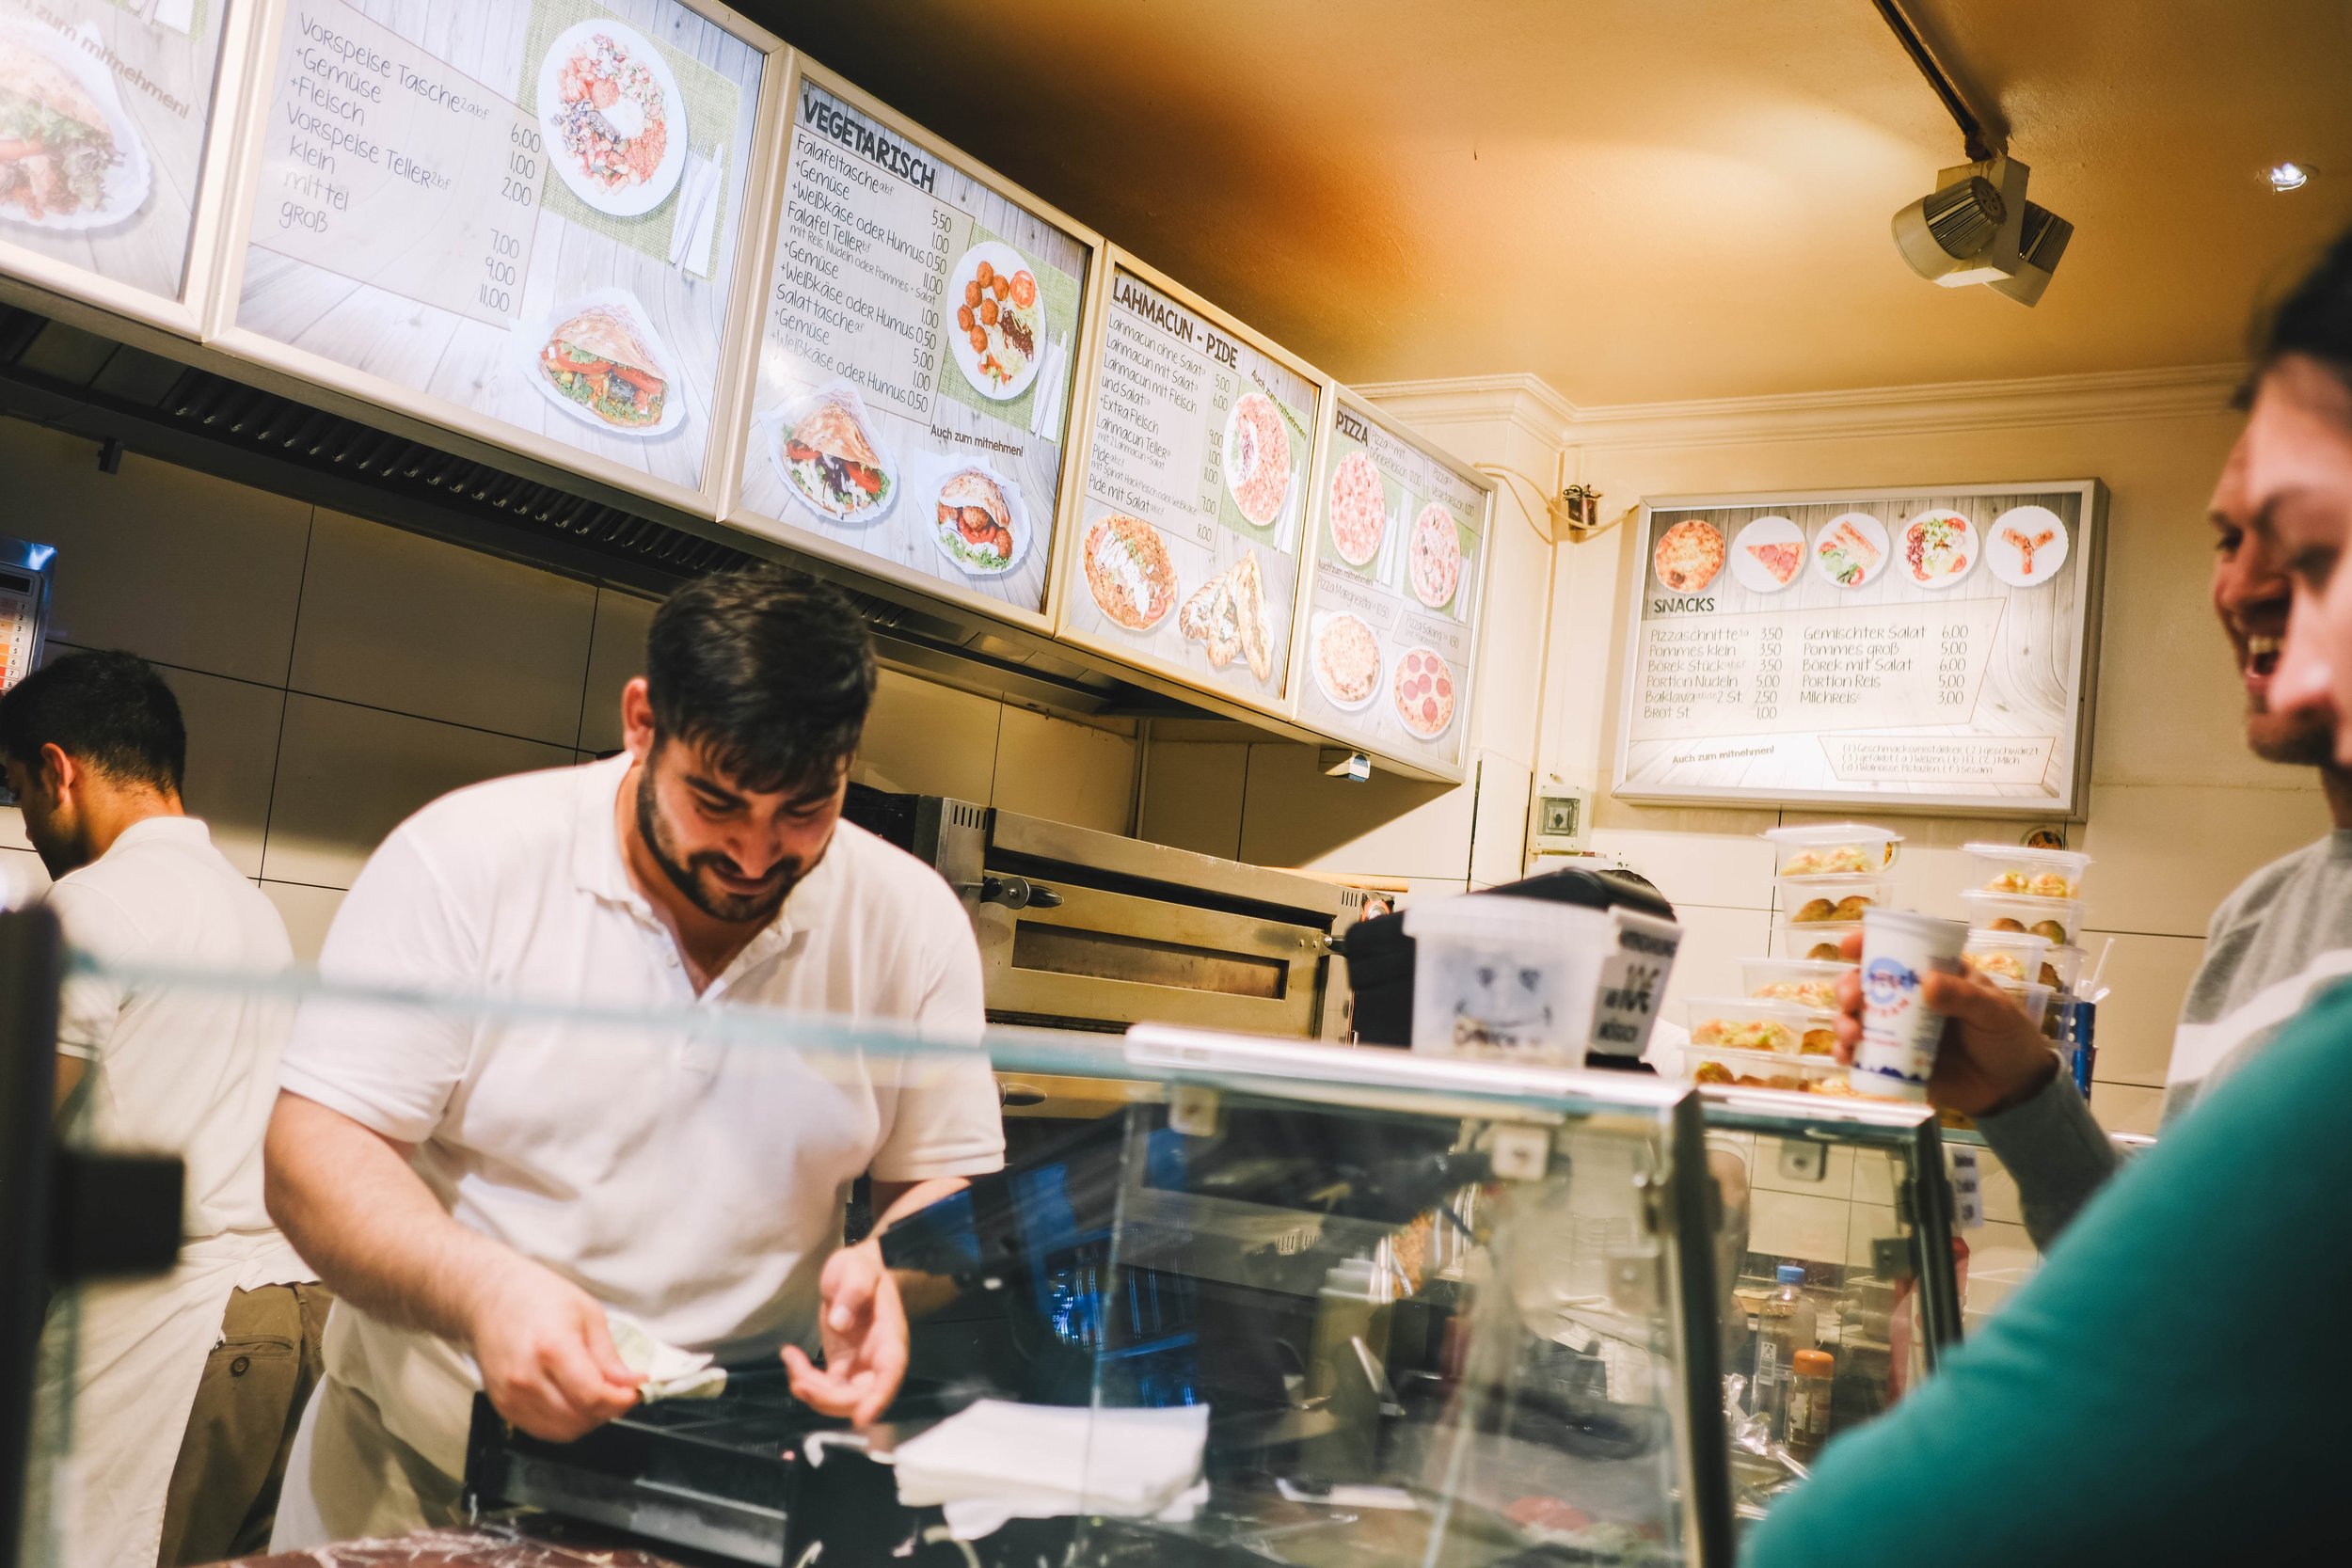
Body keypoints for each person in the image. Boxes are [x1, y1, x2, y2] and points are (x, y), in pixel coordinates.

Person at [1743, 230, 2352, 1566]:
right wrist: (2029, 1101)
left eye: (2309, 527)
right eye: (2229, 531)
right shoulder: (2265, 915)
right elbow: (2166, 1304)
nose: (2245, 581)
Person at [262, 567, 1005, 1544]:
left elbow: (941, 1178)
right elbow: (313, 1153)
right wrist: (486, 1288)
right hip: (421, 1482)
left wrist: (897, 1272)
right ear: (642, 721)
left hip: (723, 1501)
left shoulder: (908, 920)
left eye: (802, 812)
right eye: (716, 802)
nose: (751, 855)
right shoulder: (465, 860)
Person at [1, 650, 325, 1567]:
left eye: (22, 789)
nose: (28, 822)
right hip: (279, 1326)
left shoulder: (93, 906)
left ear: (60, 768)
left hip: (161, 1337)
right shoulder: (250, 911)